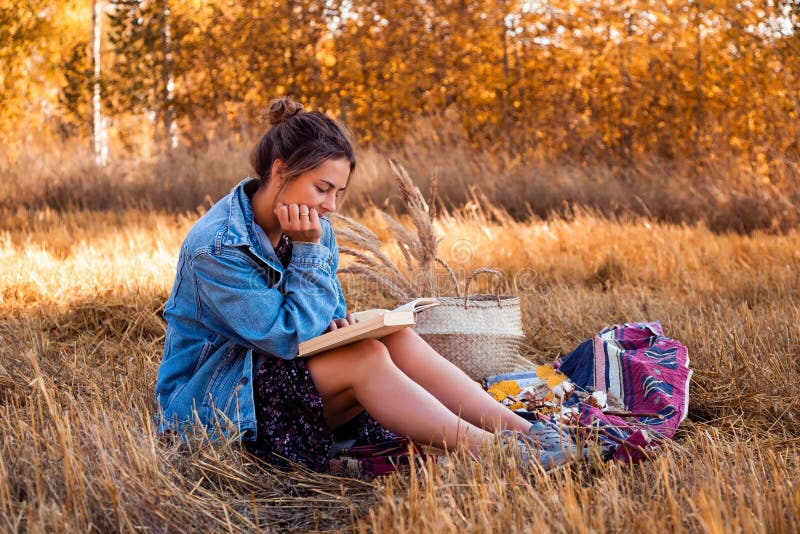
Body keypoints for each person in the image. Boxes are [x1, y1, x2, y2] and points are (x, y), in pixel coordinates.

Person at [154, 97, 576, 473]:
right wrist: (308, 254)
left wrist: (343, 324)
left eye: (338, 192)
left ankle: (526, 431)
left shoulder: (311, 225)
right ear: (280, 172)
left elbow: (325, 314)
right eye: (322, 188)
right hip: (217, 406)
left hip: (279, 380)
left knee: (396, 339)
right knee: (367, 357)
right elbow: (285, 338)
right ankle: (494, 452)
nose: (331, 206)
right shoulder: (217, 248)